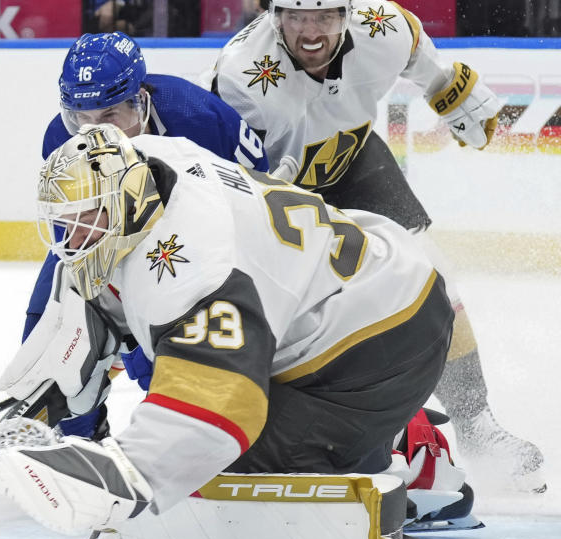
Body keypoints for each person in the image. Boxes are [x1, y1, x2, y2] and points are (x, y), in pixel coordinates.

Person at [0, 124, 522, 539]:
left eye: (86, 221)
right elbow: (115, 274)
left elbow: (217, 415)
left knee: (242, 460)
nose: (73, 238)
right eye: (66, 223)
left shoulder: (195, 266)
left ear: (126, 204)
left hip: (384, 334)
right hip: (360, 284)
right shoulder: (152, 158)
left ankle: (412, 520)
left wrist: (121, 478)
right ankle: (399, 441)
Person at [206, 0, 545, 492]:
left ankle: (478, 426)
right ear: (274, 16)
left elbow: (417, 52)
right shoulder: (241, 77)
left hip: (357, 161)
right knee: (291, 311)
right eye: (296, 16)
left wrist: (444, 87)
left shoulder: (381, 26)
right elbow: (225, 177)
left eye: (323, 15)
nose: (310, 31)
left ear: (347, 13)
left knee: (433, 279)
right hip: (278, 195)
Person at [23, 31, 270, 439]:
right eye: (79, 118)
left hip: (202, 241)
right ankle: (77, 436)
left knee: (172, 357)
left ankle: (192, 432)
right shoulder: (60, 141)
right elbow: (78, 243)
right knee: (50, 334)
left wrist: (144, 335)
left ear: (139, 101)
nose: (91, 135)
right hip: (113, 234)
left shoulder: (200, 119)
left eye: (107, 116)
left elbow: (257, 204)